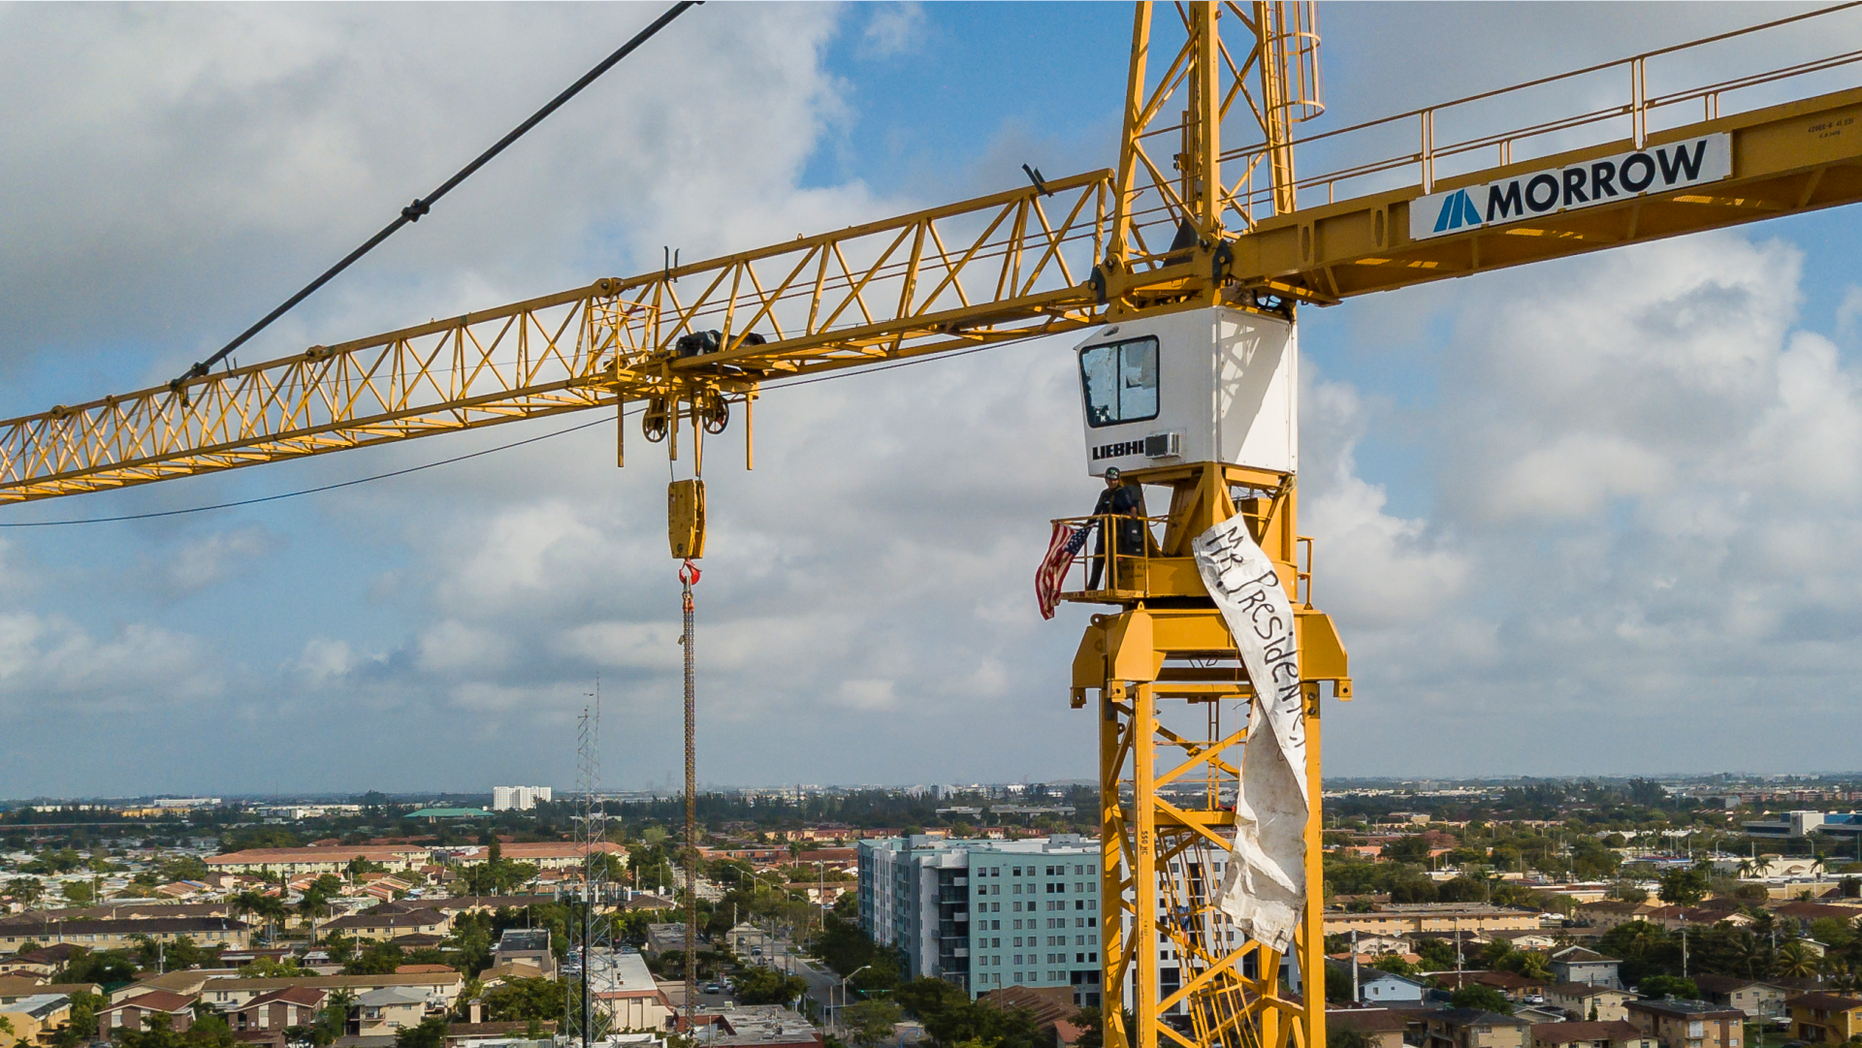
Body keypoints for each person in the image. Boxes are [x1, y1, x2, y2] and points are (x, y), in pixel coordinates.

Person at [1086, 466, 1149, 590]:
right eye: (1110, 479)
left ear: (1118, 480)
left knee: (1112, 559)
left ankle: (1111, 586)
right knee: (1098, 558)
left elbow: (1131, 505)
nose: (1112, 482)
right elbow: (1097, 511)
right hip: (1102, 530)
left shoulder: (1122, 492)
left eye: (1114, 480)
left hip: (1115, 531)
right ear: (1106, 479)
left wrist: (1134, 513)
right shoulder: (1104, 494)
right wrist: (1087, 524)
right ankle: (1092, 587)